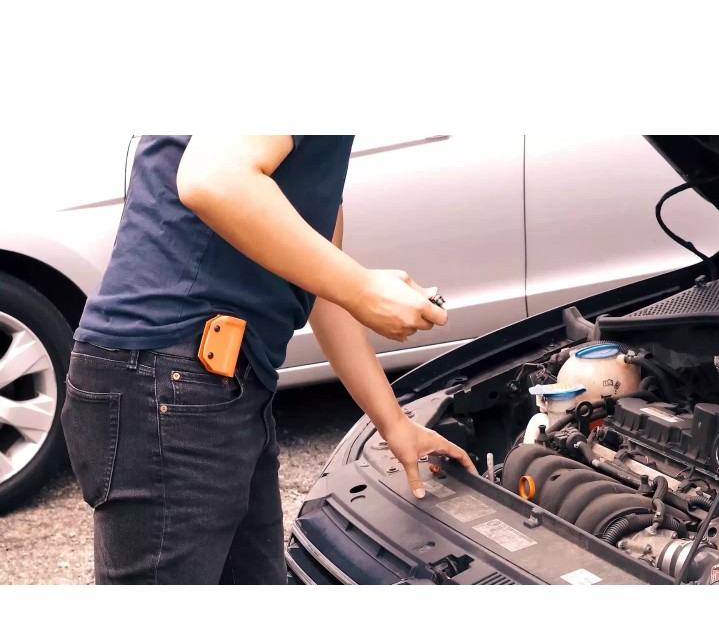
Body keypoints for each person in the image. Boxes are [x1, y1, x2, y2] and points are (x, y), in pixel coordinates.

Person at [60, 135, 476, 585]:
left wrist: (393, 423)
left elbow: (323, 287)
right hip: (169, 383)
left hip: (218, 387)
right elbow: (213, 178)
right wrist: (364, 289)